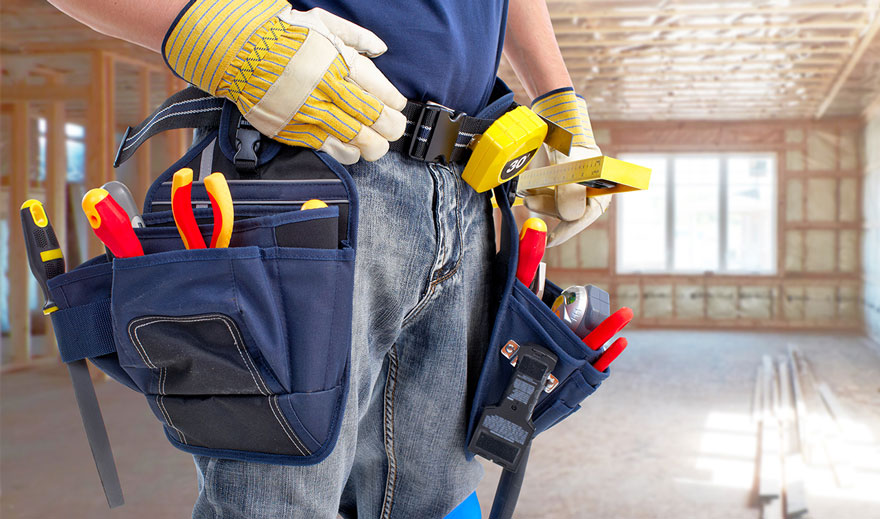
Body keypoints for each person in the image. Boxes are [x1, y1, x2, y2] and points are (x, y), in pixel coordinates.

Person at [47, 0, 611, 516]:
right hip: (304, 163)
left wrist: (556, 98)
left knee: (442, 501)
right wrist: (206, 30)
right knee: (280, 499)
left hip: (467, 182)